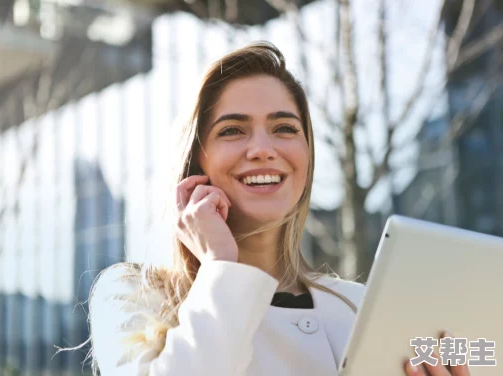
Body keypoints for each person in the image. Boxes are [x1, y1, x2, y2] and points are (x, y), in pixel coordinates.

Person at [87, 42, 470, 376]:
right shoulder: (131, 296)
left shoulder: (360, 306)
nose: (262, 149)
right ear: (196, 162)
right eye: (232, 130)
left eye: (284, 128)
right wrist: (222, 265)